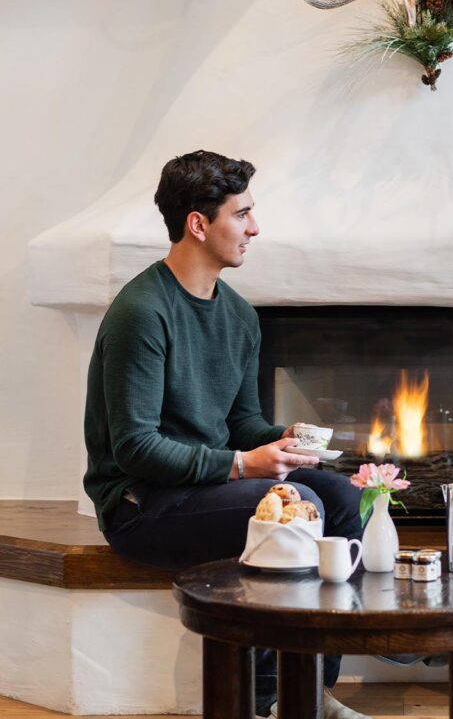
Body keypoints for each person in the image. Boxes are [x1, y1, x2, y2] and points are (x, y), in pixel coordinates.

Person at [83, 149, 369, 719]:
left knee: (342, 496)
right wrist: (245, 465)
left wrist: (285, 438)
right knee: (297, 505)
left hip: (206, 488)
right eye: (242, 214)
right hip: (142, 503)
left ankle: (313, 690)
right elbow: (134, 448)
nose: (254, 228)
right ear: (198, 223)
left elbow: (241, 425)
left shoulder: (239, 316)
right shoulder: (142, 312)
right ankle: (267, 697)